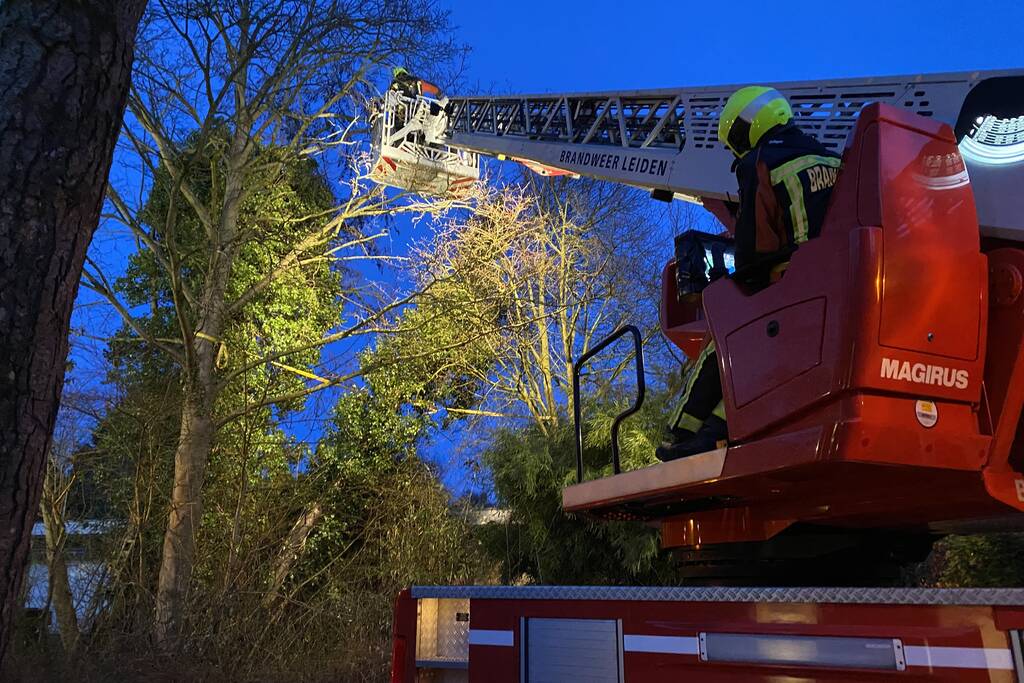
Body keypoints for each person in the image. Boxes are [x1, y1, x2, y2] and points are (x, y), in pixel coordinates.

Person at [656, 86, 842, 462]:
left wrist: (738, 282)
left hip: (792, 280)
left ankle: (681, 432)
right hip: (836, 286)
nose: (737, 148)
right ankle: (717, 431)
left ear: (751, 125)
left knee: (724, 341)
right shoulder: (833, 160)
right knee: (761, 357)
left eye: (737, 137)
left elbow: (753, 245)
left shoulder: (761, 161)